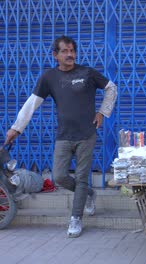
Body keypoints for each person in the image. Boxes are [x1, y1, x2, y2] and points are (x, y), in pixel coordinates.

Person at [4, 35, 117, 238]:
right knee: (60, 176)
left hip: (86, 134)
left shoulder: (87, 73)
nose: (70, 54)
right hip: (64, 135)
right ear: (55, 55)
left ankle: (76, 218)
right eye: (64, 51)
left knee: (81, 178)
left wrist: (102, 112)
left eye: (72, 50)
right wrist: (16, 128)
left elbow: (111, 88)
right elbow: (32, 103)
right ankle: (89, 194)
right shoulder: (49, 77)